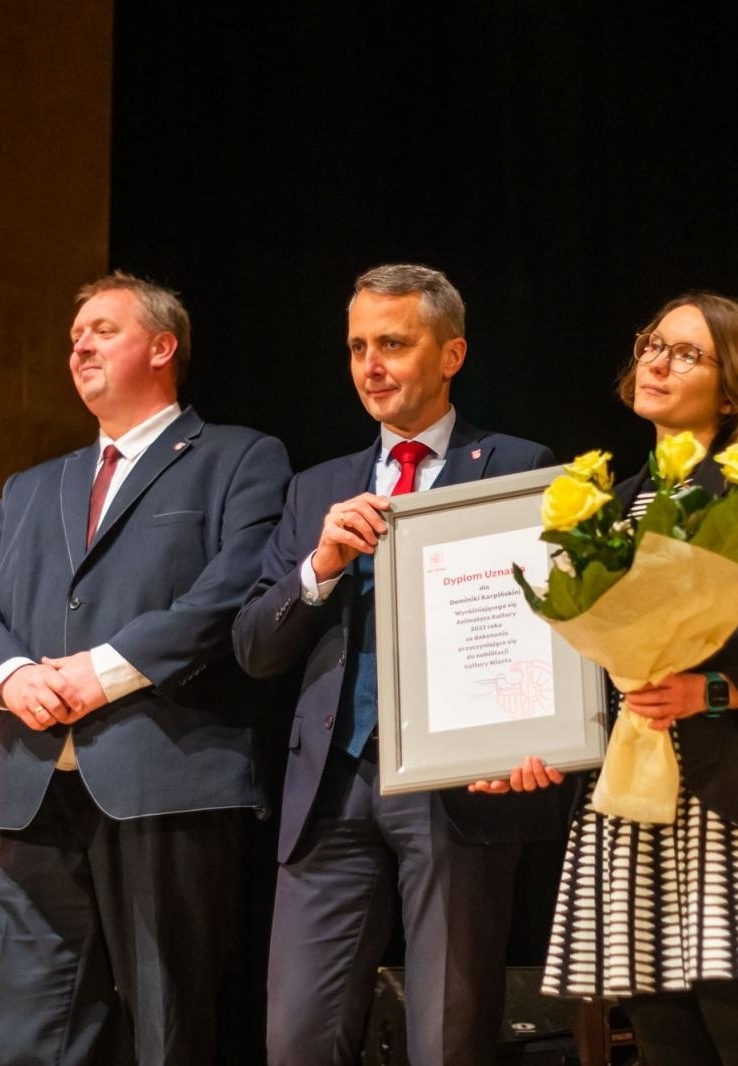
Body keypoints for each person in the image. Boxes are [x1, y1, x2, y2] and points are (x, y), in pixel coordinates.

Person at [0, 271, 291, 1065]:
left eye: (102, 329)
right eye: (74, 338)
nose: (81, 346)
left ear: (163, 347)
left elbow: (231, 587)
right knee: (32, 1026)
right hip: (32, 783)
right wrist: (10, 677)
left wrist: (106, 670)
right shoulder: (33, 486)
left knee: (169, 1025)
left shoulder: (238, 458)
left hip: (164, 776)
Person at [232, 263, 565, 1066]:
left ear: (451, 355)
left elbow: (557, 630)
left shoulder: (519, 467)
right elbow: (253, 646)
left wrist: (535, 740)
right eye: (356, 347)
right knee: (297, 1042)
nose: (370, 366)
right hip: (332, 791)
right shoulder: (319, 486)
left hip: (457, 792)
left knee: (448, 1040)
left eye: (393, 343)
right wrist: (319, 567)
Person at [520, 293, 738, 1065]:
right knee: (662, 1036)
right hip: (630, 802)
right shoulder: (610, 503)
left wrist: (711, 691)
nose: (655, 361)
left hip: (725, 805)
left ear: (734, 387)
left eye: (685, 353)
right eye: (651, 343)